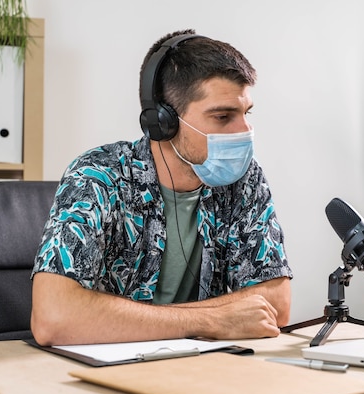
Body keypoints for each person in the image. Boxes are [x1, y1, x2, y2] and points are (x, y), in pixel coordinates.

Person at [30, 29, 293, 346]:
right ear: (162, 121)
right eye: (223, 116)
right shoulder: (98, 175)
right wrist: (213, 320)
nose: (245, 131)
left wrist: (134, 320)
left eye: (245, 113)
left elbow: (276, 305)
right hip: (104, 374)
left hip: (200, 369)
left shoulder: (244, 180)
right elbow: (53, 319)